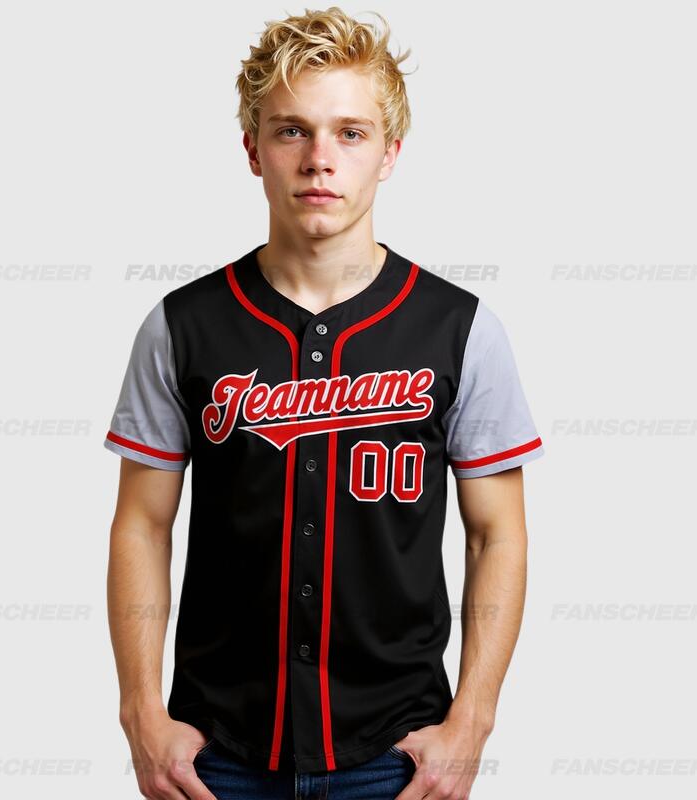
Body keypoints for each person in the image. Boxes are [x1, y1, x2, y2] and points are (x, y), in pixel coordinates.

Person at [104, 6, 545, 799]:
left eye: (350, 132)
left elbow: (497, 534)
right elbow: (142, 522)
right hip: (217, 754)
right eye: (291, 131)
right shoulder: (180, 325)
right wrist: (140, 712)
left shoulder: (461, 329)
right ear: (253, 149)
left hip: (397, 756)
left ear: (390, 152)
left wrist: (473, 722)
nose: (319, 160)